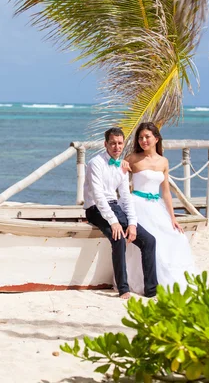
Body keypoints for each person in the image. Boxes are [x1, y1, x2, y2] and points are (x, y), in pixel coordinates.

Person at [84, 127, 158, 299]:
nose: (116, 147)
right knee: (118, 238)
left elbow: (125, 197)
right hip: (95, 209)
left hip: (114, 208)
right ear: (105, 144)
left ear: (123, 144)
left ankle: (151, 290)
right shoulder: (95, 163)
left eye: (119, 143)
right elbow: (98, 196)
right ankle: (123, 289)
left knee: (149, 241)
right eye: (112, 143)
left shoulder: (123, 166)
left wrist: (132, 223)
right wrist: (113, 221)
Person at [124, 122, 198, 295]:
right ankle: (147, 283)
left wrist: (172, 217)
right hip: (137, 205)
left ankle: (172, 281)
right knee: (149, 241)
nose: (143, 140)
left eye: (147, 137)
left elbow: (166, 192)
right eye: (140, 137)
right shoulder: (133, 158)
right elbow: (117, 178)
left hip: (156, 206)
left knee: (177, 238)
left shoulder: (163, 161)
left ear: (156, 139)